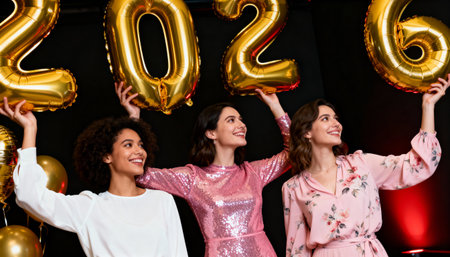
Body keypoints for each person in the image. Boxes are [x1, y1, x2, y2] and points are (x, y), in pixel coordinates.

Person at [116, 82, 291, 257]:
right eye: (231, 120)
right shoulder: (192, 178)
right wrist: (134, 120)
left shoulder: (253, 172)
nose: (242, 125)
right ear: (211, 133)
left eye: (241, 120)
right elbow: (140, 174)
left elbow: (294, 152)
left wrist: (275, 106)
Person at [282, 74, 449, 257]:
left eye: (335, 118)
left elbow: (417, 165)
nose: (336, 123)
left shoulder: (361, 164)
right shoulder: (294, 187)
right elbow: (296, 249)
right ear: (307, 132)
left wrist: (428, 106)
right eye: (325, 119)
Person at [0, 97, 188, 257]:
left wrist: (133, 118)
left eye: (141, 145)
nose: (139, 151)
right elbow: (29, 196)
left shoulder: (162, 201)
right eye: (129, 145)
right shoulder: (90, 207)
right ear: (106, 156)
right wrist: (30, 128)